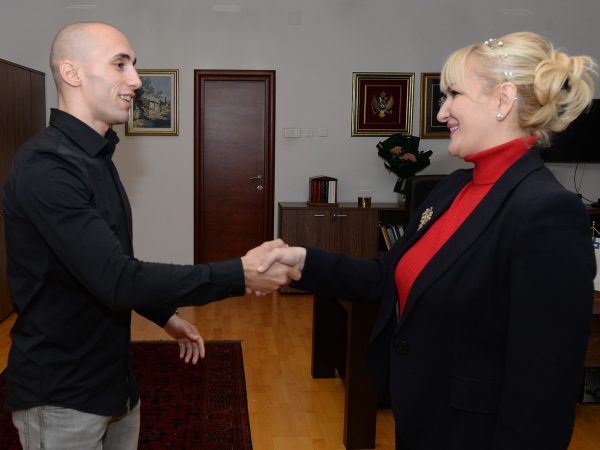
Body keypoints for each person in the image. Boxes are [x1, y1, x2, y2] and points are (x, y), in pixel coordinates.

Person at [259, 31, 597, 450]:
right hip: (421, 418)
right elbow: (388, 275)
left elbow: (544, 389)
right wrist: (302, 262)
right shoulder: (451, 188)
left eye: (453, 94)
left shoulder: (546, 212)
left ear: (503, 100)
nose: (442, 112)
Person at [2, 22, 298, 450]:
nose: (137, 80)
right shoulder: (47, 166)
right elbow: (117, 279)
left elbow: (109, 263)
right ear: (72, 72)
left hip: (115, 384)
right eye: (120, 64)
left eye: (134, 65)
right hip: (63, 398)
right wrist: (240, 273)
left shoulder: (95, 157)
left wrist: (165, 316)